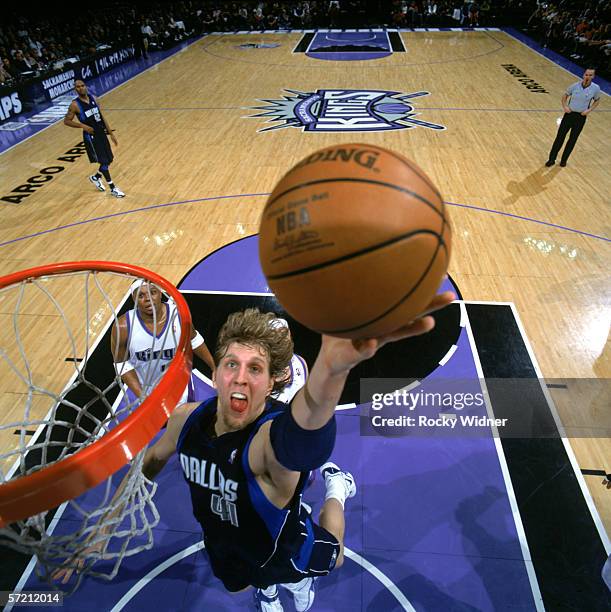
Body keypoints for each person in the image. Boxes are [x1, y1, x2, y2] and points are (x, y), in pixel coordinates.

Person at [58, 291, 454, 611]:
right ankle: (265, 590)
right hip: (223, 540)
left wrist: (333, 371)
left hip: (284, 545)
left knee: (334, 560)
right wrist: (101, 530)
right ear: (214, 373)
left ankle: (337, 488)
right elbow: (148, 466)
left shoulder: (270, 439)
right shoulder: (184, 420)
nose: (240, 378)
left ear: (271, 383)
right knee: (239, 587)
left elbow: (307, 426)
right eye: (231, 364)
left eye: (255, 369)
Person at [110, 280, 215, 402]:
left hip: (180, 384)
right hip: (146, 389)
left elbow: (194, 340)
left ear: (160, 293)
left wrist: (214, 367)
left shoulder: (179, 315)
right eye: (141, 295)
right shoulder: (123, 327)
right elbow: (121, 364)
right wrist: (143, 397)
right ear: (134, 299)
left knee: (187, 419)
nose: (148, 299)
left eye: (152, 292)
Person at [63, 79, 125, 198]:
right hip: (91, 136)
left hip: (101, 132)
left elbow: (101, 116)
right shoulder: (75, 105)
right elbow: (66, 121)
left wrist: (110, 132)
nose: (80, 88)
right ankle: (113, 188)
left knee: (109, 159)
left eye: (82, 85)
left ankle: (95, 177)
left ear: (86, 86)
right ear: (75, 89)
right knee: (103, 161)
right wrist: (82, 125)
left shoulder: (94, 98)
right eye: (77, 87)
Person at [545, 68, 601, 168]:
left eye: (590, 75)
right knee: (559, 137)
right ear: (583, 75)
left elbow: (597, 100)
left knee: (572, 139)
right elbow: (565, 96)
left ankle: (563, 160)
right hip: (569, 115)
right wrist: (565, 106)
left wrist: (589, 110)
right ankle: (551, 159)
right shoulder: (575, 86)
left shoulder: (595, 88)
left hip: (580, 117)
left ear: (593, 77)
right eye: (586, 74)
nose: (587, 77)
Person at [269, 317, 308, 405]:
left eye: (283, 333)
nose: (280, 338)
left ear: (289, 336)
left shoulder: (301, 363)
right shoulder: (262, 366)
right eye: (274, 335)